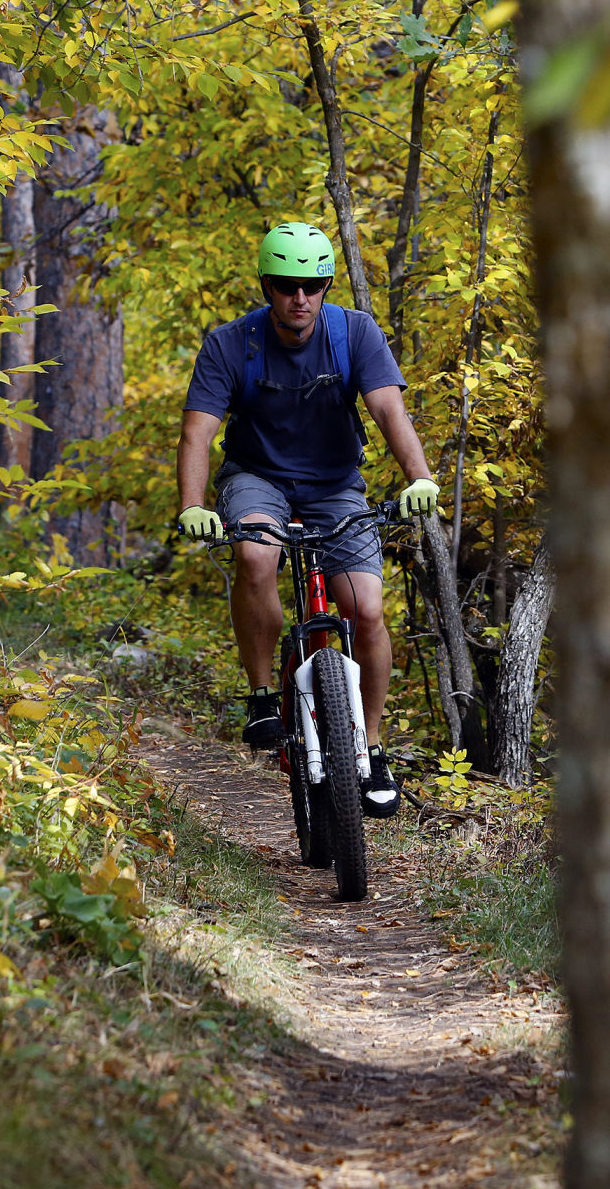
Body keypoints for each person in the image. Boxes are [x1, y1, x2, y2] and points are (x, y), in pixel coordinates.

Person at [174, 222, 438, 819]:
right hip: (256, 478)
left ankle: (370, 750)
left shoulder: (353, 332)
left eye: (313, 285)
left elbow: (387, 407)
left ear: (325, 287)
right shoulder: (229, 344)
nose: (301, 298)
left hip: (335, 486)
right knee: (256, 555)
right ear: (267, 286)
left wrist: (419, 477)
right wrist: (193, 505)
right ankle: (264, 695)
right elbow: (198, 432)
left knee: (366, 609)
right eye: (288, 286)